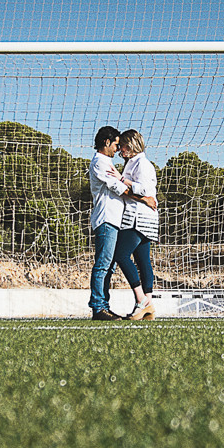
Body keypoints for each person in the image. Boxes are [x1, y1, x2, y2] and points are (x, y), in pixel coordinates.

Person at [112, 129, 158, 320]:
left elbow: (144, 189)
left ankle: (141, 300)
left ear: (130, 145)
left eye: (122, 145)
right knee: (142, 260)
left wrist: (121, 179)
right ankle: (148, 304)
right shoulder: (134, 162)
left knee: (120, 255)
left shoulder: (142, 164)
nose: (119, 150)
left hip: (138, 218)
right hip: (144, 218)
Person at [87, 125, 130, 320]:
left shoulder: (107, 162)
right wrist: (142, 196)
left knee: (110, 265)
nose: (117, 149)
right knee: (103, 264)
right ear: (106, 142)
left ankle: (104, 305)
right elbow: (117, 187)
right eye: (116, 144)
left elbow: (120, 183)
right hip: (106, 218)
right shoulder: (99, 162)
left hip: (114, 219)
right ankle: (98, 307)